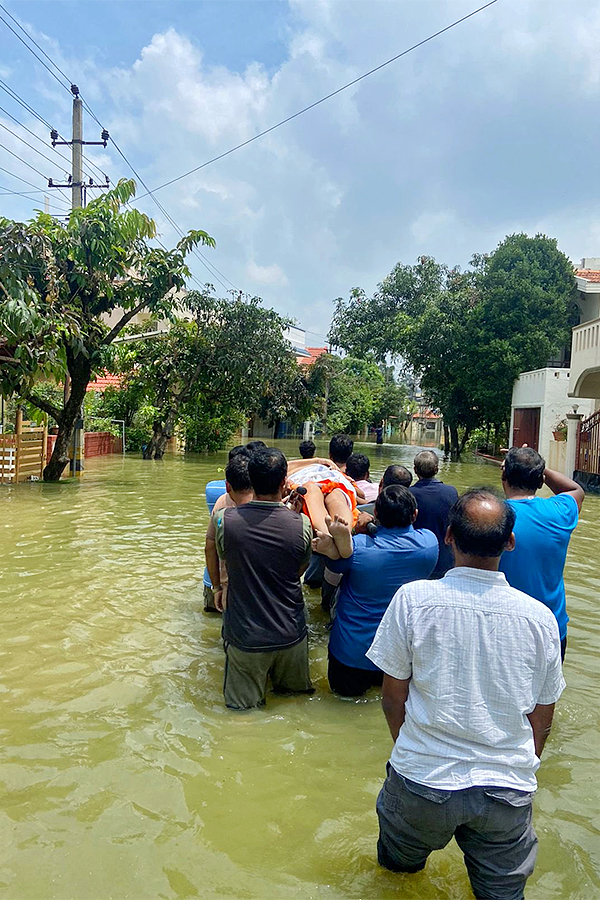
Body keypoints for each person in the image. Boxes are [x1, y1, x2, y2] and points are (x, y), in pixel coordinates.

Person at [367, 488, 565, 900]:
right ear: (510, 543)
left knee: (397, 880)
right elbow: (542, 718)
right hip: (505, 791)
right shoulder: (540, 619)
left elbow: (392, 696)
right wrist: (516, 767)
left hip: (421, 781)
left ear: (449, 535)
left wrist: (412, 747)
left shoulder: (413, 600)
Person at [213, 447, 314, 709]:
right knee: (295, 706)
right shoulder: (301, 523)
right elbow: (299, 569)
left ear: (250, 480)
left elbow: (227, 558)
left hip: (246, 638)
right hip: (291, 634)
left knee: (241, 716)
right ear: (284, 483)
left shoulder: (226, 521)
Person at [313, 485, 438, 696]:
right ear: (415, 515)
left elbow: (334, 566)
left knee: (344, 707)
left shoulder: (359, 547)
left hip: (351, 651)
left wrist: (360, 530)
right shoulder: (428, 544)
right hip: (396, 655)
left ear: (376, 513)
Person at [499, 446, 584, 661]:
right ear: (539, 481)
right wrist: (541, 470)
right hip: (551, 628)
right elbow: (576, 490)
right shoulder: (560, 512)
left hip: (503, 629)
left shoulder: (491, 516)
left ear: (504, 476)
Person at [203, 444, 251, 611]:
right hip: (253, 591)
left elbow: (209, 547)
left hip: (217, 580)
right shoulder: (269, 507)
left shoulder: (215, 493)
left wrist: (216, 587)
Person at [409, 449, 458, 578]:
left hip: (417, 560)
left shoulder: (408, 495)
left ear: (415, 470)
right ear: (436, 469)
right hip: (446, 560)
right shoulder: (451, 492)